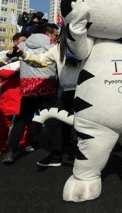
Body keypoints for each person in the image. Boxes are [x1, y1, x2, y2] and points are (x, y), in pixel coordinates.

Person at [19, 25, 82, 165]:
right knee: (53, 121)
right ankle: (55, 156)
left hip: (87, 91)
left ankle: (89, 159)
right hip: (67, 92)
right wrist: (23, 54)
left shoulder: (87, 46)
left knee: (86, 124)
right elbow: (40, 61)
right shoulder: (57, 49)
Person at [1, 23, 59, 164]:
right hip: (47, 86)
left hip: (28, 87)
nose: (56, 36)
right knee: (52, 121)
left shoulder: (22, 45)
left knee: (21, 120)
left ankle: (10, 151)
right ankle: (55, 152)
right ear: (48, 33)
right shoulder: (53, 46)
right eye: (55, 34)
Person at [0, 33, 33, 158]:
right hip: (8, 95)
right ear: (15, 42)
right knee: (3, 124)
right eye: (22, 41)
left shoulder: (29, 55)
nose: (25, 43)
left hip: (24, 94)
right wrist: (14, 72)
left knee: (25, 122)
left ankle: (24, 143)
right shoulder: (5, 55)